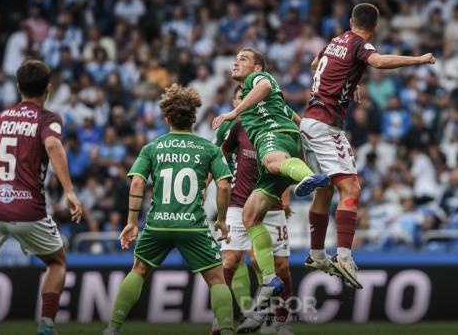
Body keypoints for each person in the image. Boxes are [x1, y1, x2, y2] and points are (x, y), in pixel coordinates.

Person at [300, 2, 435, 288]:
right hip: (326, 126)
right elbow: (379, 62)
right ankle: (344, 257)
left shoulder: (336, 40)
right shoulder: (361, 44)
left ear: (351, 21)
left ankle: (315, 253)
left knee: (325, 187)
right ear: (374, 28)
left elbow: (316, 65)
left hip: (308, 121)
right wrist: (419, 60)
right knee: (350, 187)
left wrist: (350, 82)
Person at [0, 60, 83, 335]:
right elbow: (53, 144)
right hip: (28, 211)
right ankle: (46, 325)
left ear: (18, 86)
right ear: (48, 89)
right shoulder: (48, 119)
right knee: (57, 262)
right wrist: (69, 191)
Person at [104, 84, 235, 335]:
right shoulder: (208, 149)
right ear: (194, 118)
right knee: (217, 279)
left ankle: (113, 328)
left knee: (139, 270)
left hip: (158, 225)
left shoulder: (152, 148)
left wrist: (132, 222)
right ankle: (227, 331)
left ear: (166, 119)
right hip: (193, 225)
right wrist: (221, 219)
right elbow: (225, 185)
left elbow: (138, 182)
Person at [212, 47, 327, 310]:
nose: (236, 61)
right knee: (250, 216)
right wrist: (310, 142)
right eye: (235, 57)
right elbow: (297, 120)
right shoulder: (271, 104)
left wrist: (232, 112)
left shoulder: (258, 80)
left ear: (257, 67)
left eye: (243, 59)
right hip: (279, 152)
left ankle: (309, 178)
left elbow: (263, 86)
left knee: (271, 160)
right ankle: (269, 279)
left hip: (273, 138)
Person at [214, 86, 294, 334]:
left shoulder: (274, 125)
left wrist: (285, 197)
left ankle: (280, 324)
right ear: (235, 101)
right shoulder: (234, 126)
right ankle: (222, 320)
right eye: (240, 98)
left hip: (270, 205)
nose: (245, 102)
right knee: (230, 259)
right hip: (238, 204)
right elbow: (217, 160)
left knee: (280, 267)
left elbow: (287, 165)